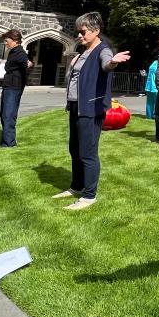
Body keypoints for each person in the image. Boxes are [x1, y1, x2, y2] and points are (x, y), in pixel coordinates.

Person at [52, 12, 130, 210]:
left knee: (87, 152)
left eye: (83, 31)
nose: (79, 35)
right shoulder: (83, 52)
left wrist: (113, 62)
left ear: (96, 31)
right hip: (76, 106)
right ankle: (77, 187)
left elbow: (106, 65)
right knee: (75, 149)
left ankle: (89, 196)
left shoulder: (103, 50)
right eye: (78, 31)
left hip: (90, 108)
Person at [0, 29, 32, 148]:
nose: (5, 43)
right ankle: (6, 140)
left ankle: (9, 143)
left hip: (14, 87)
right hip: (8, 86)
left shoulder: (20, 53)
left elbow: (27, 66)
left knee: (9, 114)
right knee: (4, 114)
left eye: (7, 40)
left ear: (15, 40)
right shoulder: (13, 52)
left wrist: (29, 64)